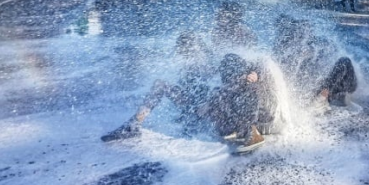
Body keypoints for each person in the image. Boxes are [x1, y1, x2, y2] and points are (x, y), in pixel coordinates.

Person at [101, 51, 277, 154]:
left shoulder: (249, 85)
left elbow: (259, 108)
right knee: (160, 84)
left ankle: (249, 132)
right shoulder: (234, 74)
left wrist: (249, 131)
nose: (227, 78)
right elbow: (257, 64)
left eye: (231, 76)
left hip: (227, 121)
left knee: (218, 95)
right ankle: (133, 125)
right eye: (226, 75)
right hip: (202, 108)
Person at [273, 15, 358, 111]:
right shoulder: (284, 50)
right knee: (344, 62)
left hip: (332, 85)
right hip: (316, 91)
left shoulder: (316, 44)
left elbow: (327, 51)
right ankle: (325, 97)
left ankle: (326, 95)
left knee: (344, 61)